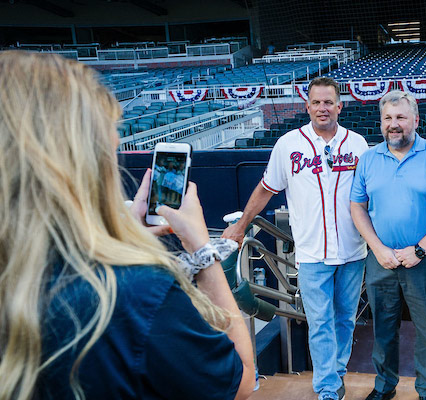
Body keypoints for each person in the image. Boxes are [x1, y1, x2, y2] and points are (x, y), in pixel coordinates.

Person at [0, 51, 255, 400]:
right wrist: (202, 250)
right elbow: (240, 380)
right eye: (109, 144)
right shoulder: (134, 293)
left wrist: (126, 236)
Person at [223, 76, 368, 400]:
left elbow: (370, 194)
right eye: (316, 102)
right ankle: (328, 390)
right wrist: (243, 224)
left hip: (352, 250)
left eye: (328, 101)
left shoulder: (357, 144)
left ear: (339, 106)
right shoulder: (289, 144)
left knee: (345, 319)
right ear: (307, 106)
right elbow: (265, 189)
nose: (322, 108)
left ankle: (337, 373)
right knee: (319, 323)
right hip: (311, 252)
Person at [350, 90, 426, 400]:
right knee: (383, 329)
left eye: (400, 117)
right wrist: (377, 249)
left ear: (416, 120)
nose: (394, 124)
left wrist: (420, 249)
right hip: (380, 260)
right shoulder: (369, 159)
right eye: (388, 118)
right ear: (381, 122)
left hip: (423, 260)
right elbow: (357, 207)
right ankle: (384, 387)